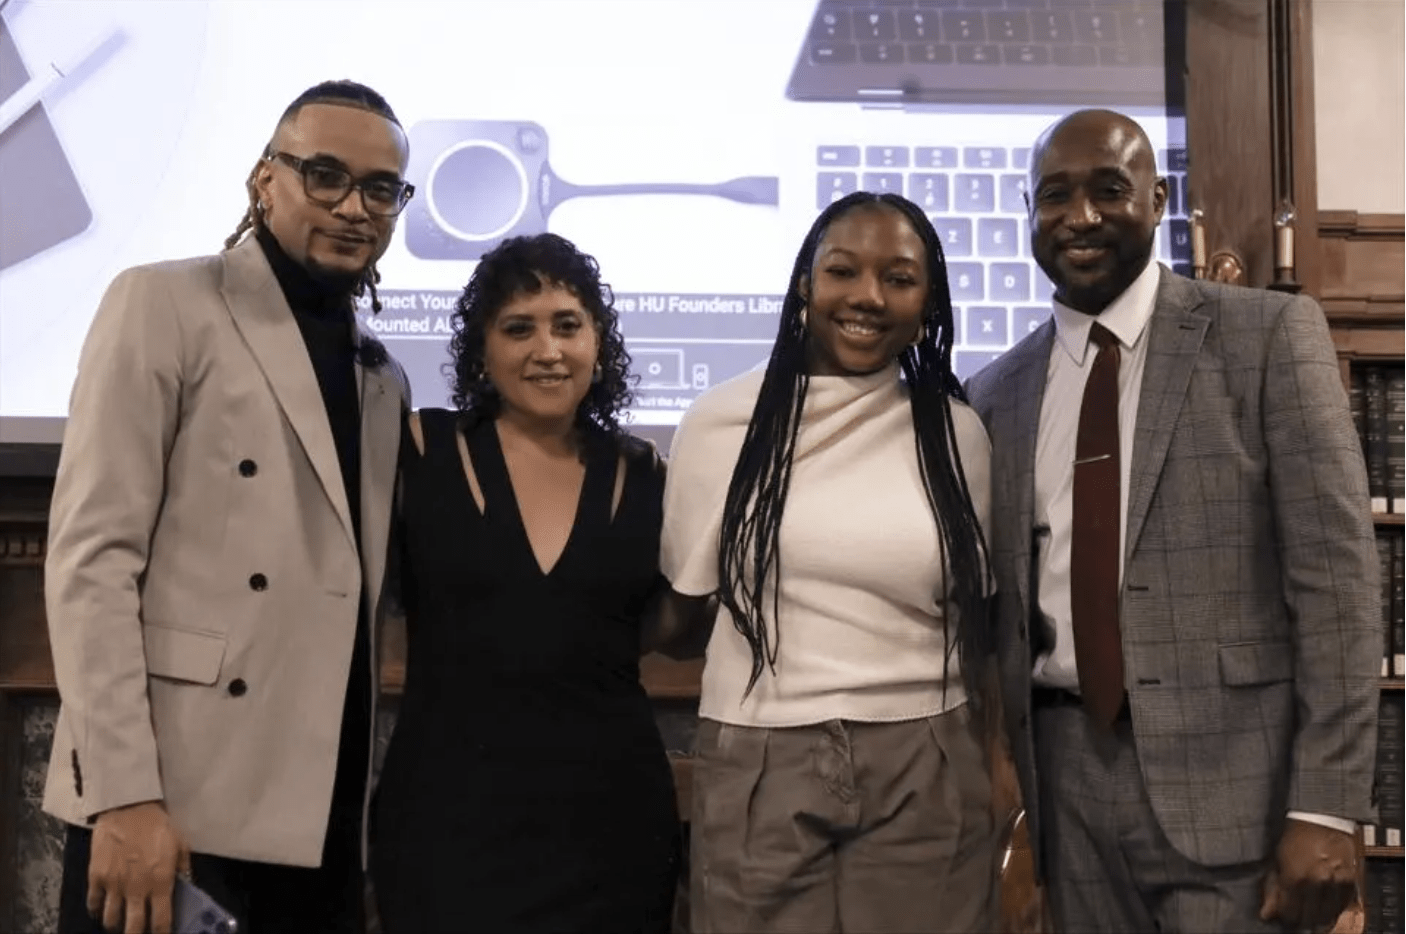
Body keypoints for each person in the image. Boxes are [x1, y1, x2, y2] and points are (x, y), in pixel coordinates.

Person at [965, 108, 1380, 933]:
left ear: (1157, 200)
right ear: (1029, 212)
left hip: (1239, 790)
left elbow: (1337, 587)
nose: (1080, 216)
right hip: (1066, 786)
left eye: (1109, 190)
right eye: (1055, 196)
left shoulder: (1265, 338)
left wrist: (1328, 808)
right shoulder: (995, 394)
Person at [43, 80, 415, 934]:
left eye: (381, 188)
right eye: (324, 175)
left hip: (317, 818)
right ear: (264, 180)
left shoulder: (382, 377)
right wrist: (123, 794)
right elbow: (92, 559)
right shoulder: (164, 303)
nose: (354, 206)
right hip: (172, 804)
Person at [660, 191, 999, 934]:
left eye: (900, 278)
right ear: (806, 284)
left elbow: (977, 622)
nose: (869, 297)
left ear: (928, 298)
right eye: (844, 271)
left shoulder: (957, 435)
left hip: (926, 751)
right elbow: (680, 616)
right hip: (759, 751)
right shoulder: (721, 425)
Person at [369, 232, 682, 934]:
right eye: (519, 329)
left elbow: (660, 626)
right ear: (482, 348)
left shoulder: (646, 473)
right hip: (445, 829)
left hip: (612, 831)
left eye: (568, 325)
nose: (548, 350)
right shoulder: (420, 447)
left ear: (598, 341)